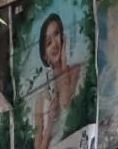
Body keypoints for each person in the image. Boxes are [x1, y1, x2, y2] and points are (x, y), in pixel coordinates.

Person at [34, 14, 85, 149]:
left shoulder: (76, 71)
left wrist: (63, 63)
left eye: (56, 34)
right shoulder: (41, 97)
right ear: (44, 55)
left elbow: (65, 101)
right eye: (48, 43)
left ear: (63, 36)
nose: (55, 44)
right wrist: (50, 122)